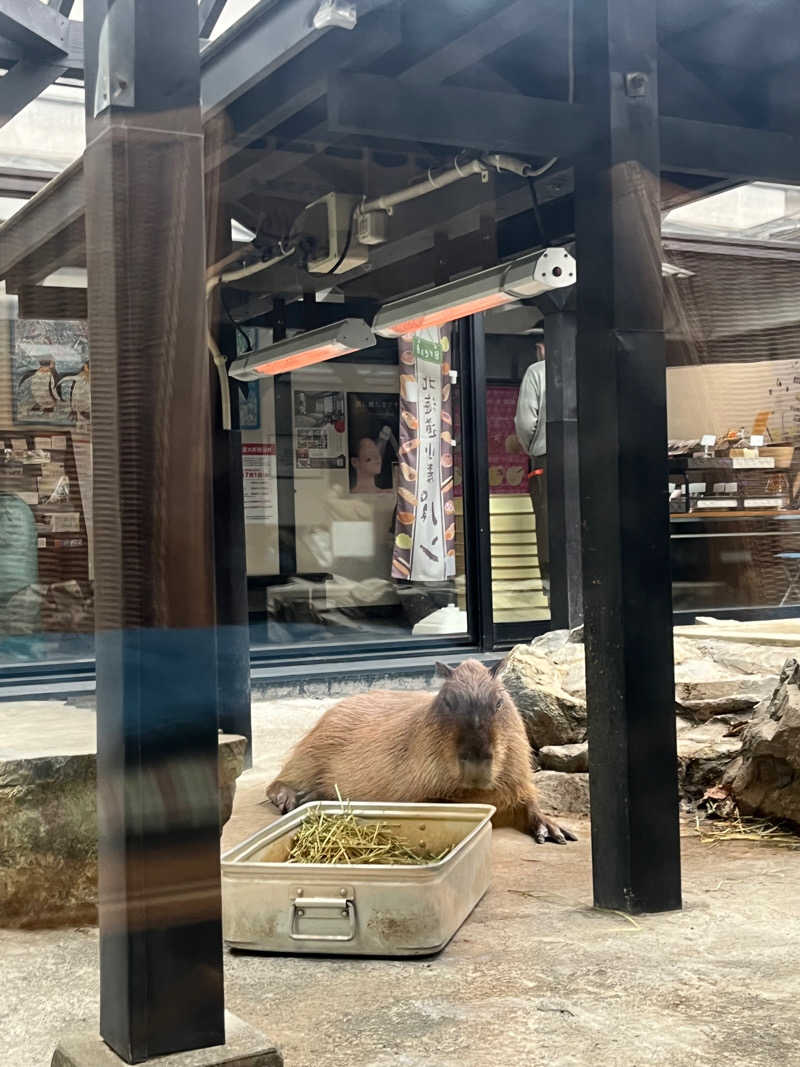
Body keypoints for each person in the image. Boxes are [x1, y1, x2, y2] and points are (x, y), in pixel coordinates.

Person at [514, 342, 549, 602]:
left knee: (548, 529)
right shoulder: (591, 367)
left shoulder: (538, 371)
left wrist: (533, 449)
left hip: (546, 461)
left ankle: (553, 597)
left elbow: (526, 422)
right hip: (591, 462)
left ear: (540, 347)